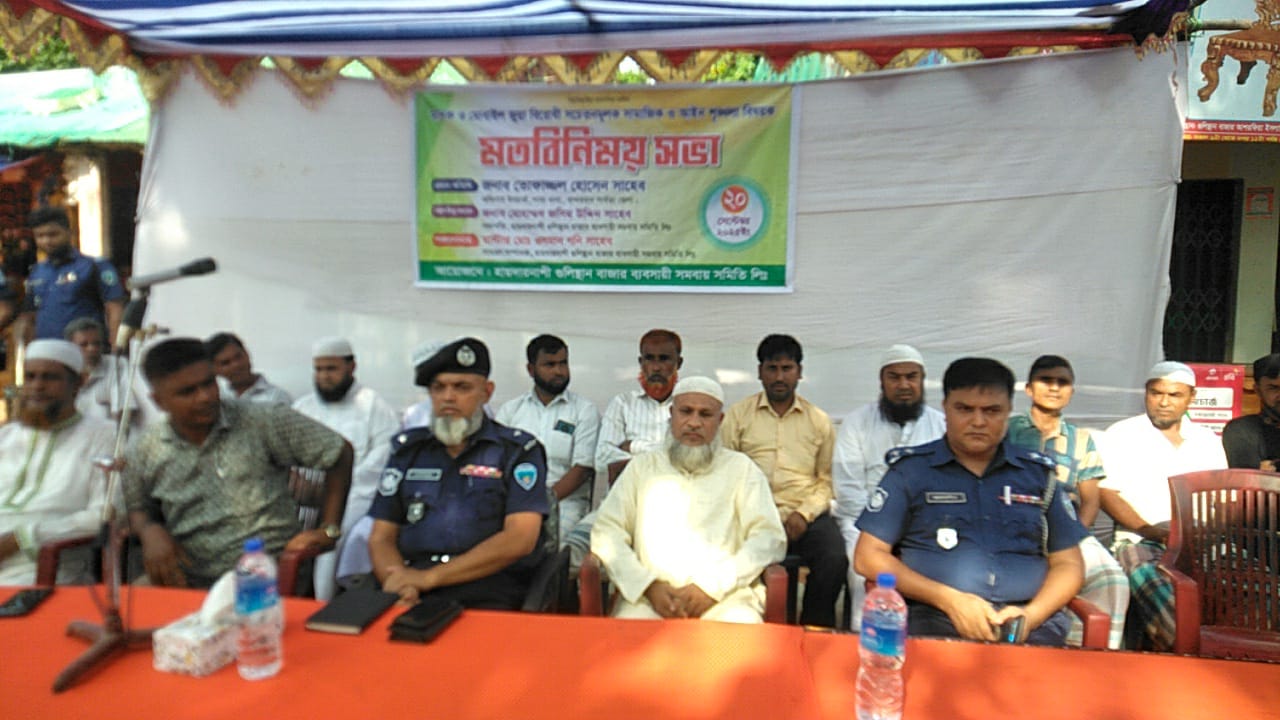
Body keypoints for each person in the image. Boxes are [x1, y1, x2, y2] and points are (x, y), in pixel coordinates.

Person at [854, 357, 1086, 646]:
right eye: (964, 409)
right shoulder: (910, 472)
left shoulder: (1038, 475)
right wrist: (949, 600)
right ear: (945, 409)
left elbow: (1069, 563)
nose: (978, 422)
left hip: (1028, 622)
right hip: (934, 615)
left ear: (1008, 411)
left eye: (992, 411)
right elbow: (867, 556)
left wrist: (1032, 615)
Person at [122, 338, 353, 588]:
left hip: (267, 575)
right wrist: (149, 531)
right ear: (159, 401)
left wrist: (329, 530)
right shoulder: (146, 449)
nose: (205, 397)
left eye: (209, 383)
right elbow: (138, 506)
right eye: (188, 392)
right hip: (190, 580)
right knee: (126, 600)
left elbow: (339, 452)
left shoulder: (262, 420)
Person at [368, 338, 550, 609]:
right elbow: (381, 536)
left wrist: (430, 578)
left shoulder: (516, 451)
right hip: (408, 584)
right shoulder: (408, 451)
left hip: (485, 585)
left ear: (486, 392)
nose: (448, 397)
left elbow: (520, 539)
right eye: (438, 387)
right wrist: (401, 584)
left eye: (462, 387)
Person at [592, 376, 787, 623]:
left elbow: (769, 537)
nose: (694, 423)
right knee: (631, 634)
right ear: (671, 415)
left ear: (720, 421)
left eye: (705, 415)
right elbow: (607, 531)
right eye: (686, 412)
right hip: (648, 599)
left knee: (741, 630)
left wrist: (712, 587)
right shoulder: (642, 467)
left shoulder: (742, 469)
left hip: (726, 598)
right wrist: (646, 585)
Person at [1098, 361, 1227, 650]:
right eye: (1157, 393)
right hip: (1141, 541)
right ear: (1146, 393)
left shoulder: (1207, 440)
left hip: (1203, 542)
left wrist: (1209, 533)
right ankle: (1194, 664)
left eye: (1175, 395)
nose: (1164, 402)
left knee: (1263, 589)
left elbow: (1222, 499)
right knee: (1171, 604)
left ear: (1191, 397)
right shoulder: (1122, 434)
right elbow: (1107, 493)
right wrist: (1151, 531)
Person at [720, 334, 844, 627]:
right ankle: (749, 626)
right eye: (772, 368)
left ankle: (814, 630)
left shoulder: (819, 421)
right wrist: (757, 512)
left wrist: (804, 513)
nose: (779, 377)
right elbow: (725, 472)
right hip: (751, 514)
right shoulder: (738, 416)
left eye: (787, 369)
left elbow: (826, 481)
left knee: (835, 557)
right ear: (759, 371)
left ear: (799, 372)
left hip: (804, 516)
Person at [1005, 355, 1128, 648]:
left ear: (1071, 391)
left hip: (1066, 528)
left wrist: (1074, 536)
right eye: (1045, 381)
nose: (1054, 388)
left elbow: (1090, 500)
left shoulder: (1081, 439)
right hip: (1012, 521)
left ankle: (1089, 657)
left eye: (1062, 382)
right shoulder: (1006, 430)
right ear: (1029, 389)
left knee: (1114, 581)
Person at [833, 344, 945, 625]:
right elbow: (848, 490)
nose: (903, 385)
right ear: (881, 381)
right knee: (862, 573)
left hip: (926, 525)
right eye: (894, 377)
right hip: (865, 524)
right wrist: (883, 531)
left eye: (911, 377)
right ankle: (865, 641)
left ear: (923, 379)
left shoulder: (942, 426)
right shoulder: (856, 423)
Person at [563, 329, 684, 567]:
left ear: (678, 363)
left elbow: (685, 457)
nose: (656, 367)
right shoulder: (622, 403)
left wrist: (633, 446)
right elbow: (602, 459)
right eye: (649, 359)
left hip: (673, 510)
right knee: (570, 552)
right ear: (641, 362)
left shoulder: (688, 405)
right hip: (617, 507)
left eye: (664, 359)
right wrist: (662, 455)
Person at [291, 336, 400, 600]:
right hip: (302, 494)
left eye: (331, 369)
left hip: (354, 493)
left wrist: (333, 489)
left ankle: (324, 598)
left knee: (336, 534)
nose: (324, 376)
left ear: (351, 367)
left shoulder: (373, 405)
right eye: (319, 369)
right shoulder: (303, 407)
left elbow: (383, 457)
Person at [0, 340, 115, 585]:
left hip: (41, 565)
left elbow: (104, 514)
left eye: (50, 377)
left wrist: (20, 539)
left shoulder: (104, 435)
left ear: (79, 383)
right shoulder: (6, 437)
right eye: (30, 377)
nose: (37, 386)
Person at [496, 334, 600, 548]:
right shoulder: (511, 411)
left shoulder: (584, 410)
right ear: (531, 369)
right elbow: (496, 462)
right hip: (514, 502)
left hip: (564, 503)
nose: (559, 371)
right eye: (550, 365)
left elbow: (582, 469)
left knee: (554, 546)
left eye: (563, 363)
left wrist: (543, 501)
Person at [15, 206, 125, 344]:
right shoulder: (36, 272)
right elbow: (30, 317)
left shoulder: (94, 267)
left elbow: (114, 308)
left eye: (53, 234)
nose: (46, 241)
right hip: (47, 352)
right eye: (40, 236)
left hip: (85, 351)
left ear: (69, 232)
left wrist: (116, 346)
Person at [64, 316, 144, 428]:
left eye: (96, 344)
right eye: (84, 345)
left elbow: (124, 412)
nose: (92, 349)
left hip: (109, 434)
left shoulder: (116, 364)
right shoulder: (62, 371)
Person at [1222, 353, 1280, 470]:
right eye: (1274, 388)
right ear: (1257, 390)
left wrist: (1273, 466)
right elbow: (1250, 476)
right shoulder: (1242, 430)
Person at [204, 332, 292, 406]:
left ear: (247, 354)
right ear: (215, 370)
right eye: (226, 363)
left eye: (238, 357)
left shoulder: (276, 398)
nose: (236, 365)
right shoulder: (217, 397)